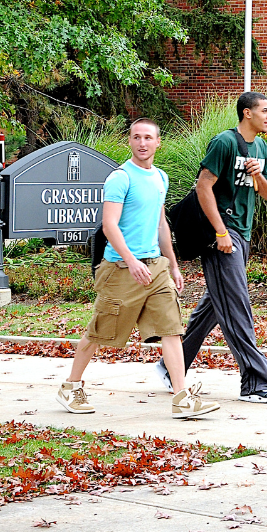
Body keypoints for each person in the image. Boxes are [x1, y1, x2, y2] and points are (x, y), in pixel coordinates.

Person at [57, 119, 220, 420]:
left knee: (171, 329)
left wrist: (172, 264)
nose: (142, 143)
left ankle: (182, 398)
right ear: (129, 141)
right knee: (99, 333)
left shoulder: (160, 177)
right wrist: (131, 261)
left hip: (155, 267)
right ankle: (71, 386)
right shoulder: (120, 178)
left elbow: (161, 224)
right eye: (136, 137)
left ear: (158, 143)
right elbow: (110, 225)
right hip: (120, 268)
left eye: (148, 138)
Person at [155, 92, 267, 403]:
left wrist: (257, 175)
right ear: (247, 113)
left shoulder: (261, 146)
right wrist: (221, 232)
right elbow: (203, 186)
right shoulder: (224, 142)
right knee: (237, 305)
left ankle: (173, 366)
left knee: (216, 304)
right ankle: (255, 382)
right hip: (221, 236)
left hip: (243, 233)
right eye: (264, 111)